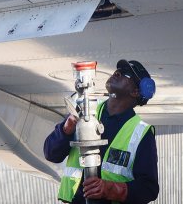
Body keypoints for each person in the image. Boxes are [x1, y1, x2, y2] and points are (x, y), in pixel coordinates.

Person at [43, 59, 159, 203]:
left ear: (135, 92)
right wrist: (65, 131)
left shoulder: (141, 133)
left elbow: (148, 189)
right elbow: (50, 154)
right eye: (117, 70)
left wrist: (110, 189)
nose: (117, 73)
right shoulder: (85, 111)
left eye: (125, 74)